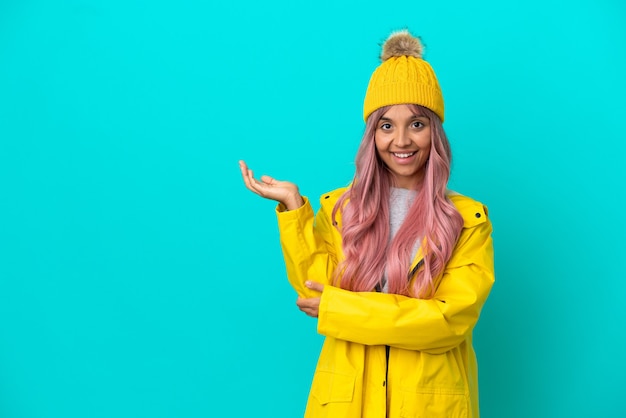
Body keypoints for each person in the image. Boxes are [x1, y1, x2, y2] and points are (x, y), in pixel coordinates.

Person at [239, 29, 494, 418]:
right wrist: (294, 209)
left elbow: (445, 323)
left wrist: (341, 311)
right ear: (371, 135)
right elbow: (314, 288)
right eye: (386, 125)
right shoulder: (341, 208)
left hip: (428, 404)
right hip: (347, 400)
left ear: (435, 132)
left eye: (417, 124)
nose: (402, 140)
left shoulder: (467, 220)